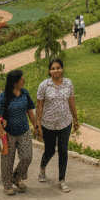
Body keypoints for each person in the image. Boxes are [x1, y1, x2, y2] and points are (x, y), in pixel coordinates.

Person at [36, 57, 79, 192]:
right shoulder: (44, 85)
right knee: (49, 151)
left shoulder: (68, 83)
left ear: (62, 69)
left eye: (58, 68)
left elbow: (71, 101)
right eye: (53, 68)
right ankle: (42, 169)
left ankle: (62, 180)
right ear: (49, 70)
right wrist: (38, 124)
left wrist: (75, 119)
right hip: (48, 124)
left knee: (63, 151)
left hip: (65, 122)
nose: (56, 71)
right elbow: (39, 106)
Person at [0, 69, 37, 196]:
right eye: (21, 78)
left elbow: (30, 110)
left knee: (27, 157)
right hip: (8, 133)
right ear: (15, 82)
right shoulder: (4, 97)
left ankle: (16, 177)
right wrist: (2, 133)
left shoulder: (24, 93)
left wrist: (36, 126)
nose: (24, 80)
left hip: (24, 131)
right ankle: (7, 184)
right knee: (7, 161)